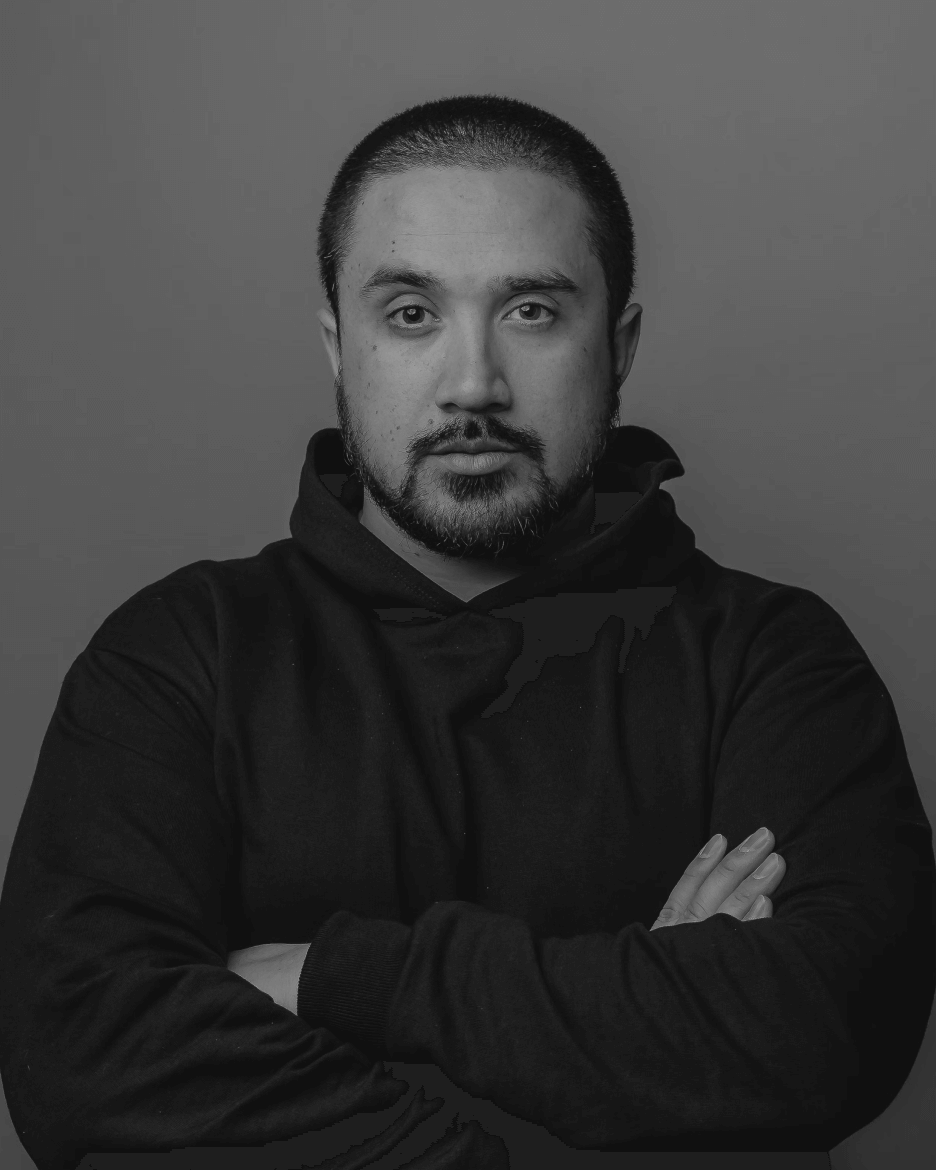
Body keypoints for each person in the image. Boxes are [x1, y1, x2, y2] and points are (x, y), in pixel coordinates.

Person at [0, 95, 932, 1170]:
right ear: (338, 347)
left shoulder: (776, 660)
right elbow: (77, 1054)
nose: (472, 384)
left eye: (531, 310)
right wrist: (633, 1057)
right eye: (410, 314)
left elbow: (822, 1035)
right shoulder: (179, 656)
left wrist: (332, 984)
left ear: (619, 345)